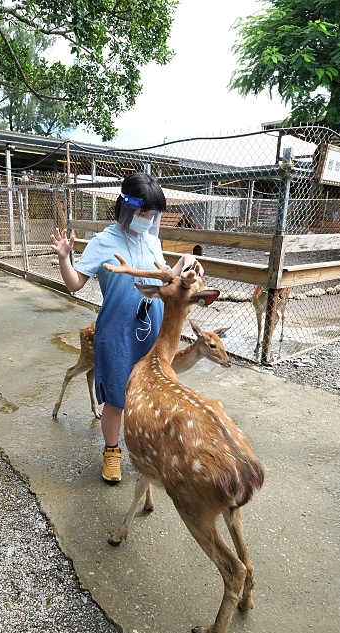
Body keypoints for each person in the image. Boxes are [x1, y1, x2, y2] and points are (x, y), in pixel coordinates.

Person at [50, 172, 202, 483]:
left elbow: (162, 278)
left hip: (154, 328)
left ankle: (151, 449)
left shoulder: (152, 241)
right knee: (118, 399)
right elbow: (75, 284)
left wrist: (184, 265)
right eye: (145, 211)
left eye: (154, 212)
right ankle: (112, 452)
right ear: (127, 206)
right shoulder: (102, 241)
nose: (150, 218)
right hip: (117, 332)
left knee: (155, 394)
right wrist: (65, 257)